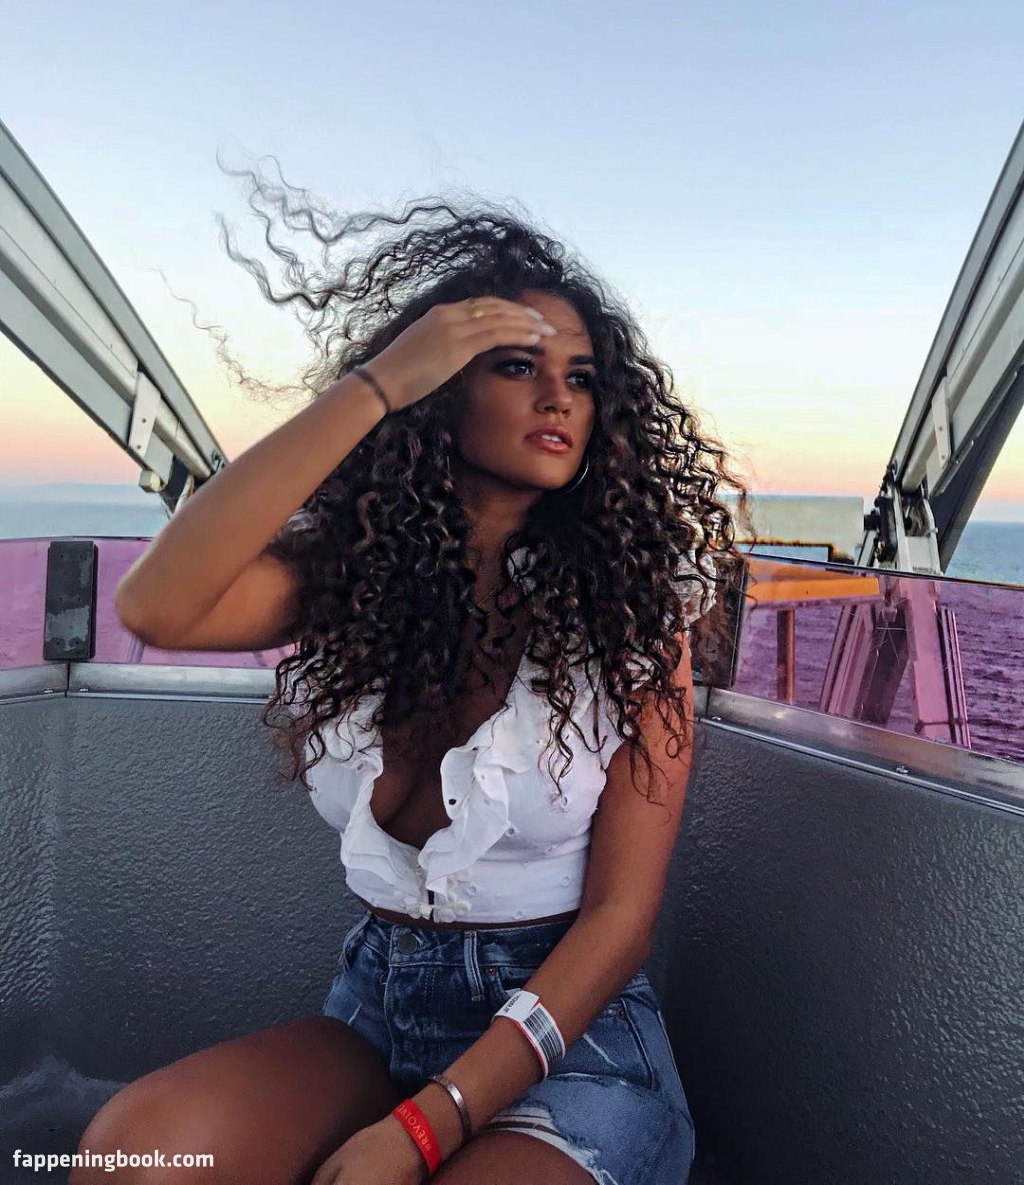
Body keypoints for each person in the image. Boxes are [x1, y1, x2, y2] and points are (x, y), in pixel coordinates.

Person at [72, 185, 748, 1185]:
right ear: (441, 388)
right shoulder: (358, 579)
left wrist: (429, 1126)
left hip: (568, 1039)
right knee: (129, 1157)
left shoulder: (632, 613)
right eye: (516, 365)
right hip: (379, 1007)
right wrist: (376, 385)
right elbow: (159, 604)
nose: (558, 397)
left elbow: (619, 924)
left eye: (581, 377)